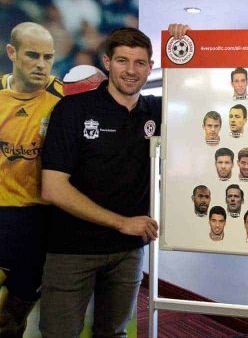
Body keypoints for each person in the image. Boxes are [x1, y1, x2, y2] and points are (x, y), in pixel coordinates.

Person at [39, 27, 159, 337]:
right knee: (58, 333)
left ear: (151, 66)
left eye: (140, 62)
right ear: (107, 61)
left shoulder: (156, 111)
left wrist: (184, 42)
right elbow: (53, 187)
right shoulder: (73, 110)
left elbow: (207, 103)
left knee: (114, 333)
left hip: (128, 252)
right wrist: (122, 223)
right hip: (72, 249)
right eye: (122, 60)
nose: (130, 71)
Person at [0, 22, 62, 337]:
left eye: (48, 57)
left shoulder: (63, 97)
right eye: (32, 55)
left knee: (14, 314)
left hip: (40, 219)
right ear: (12, 53)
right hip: (1, 212)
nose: (41, 65)